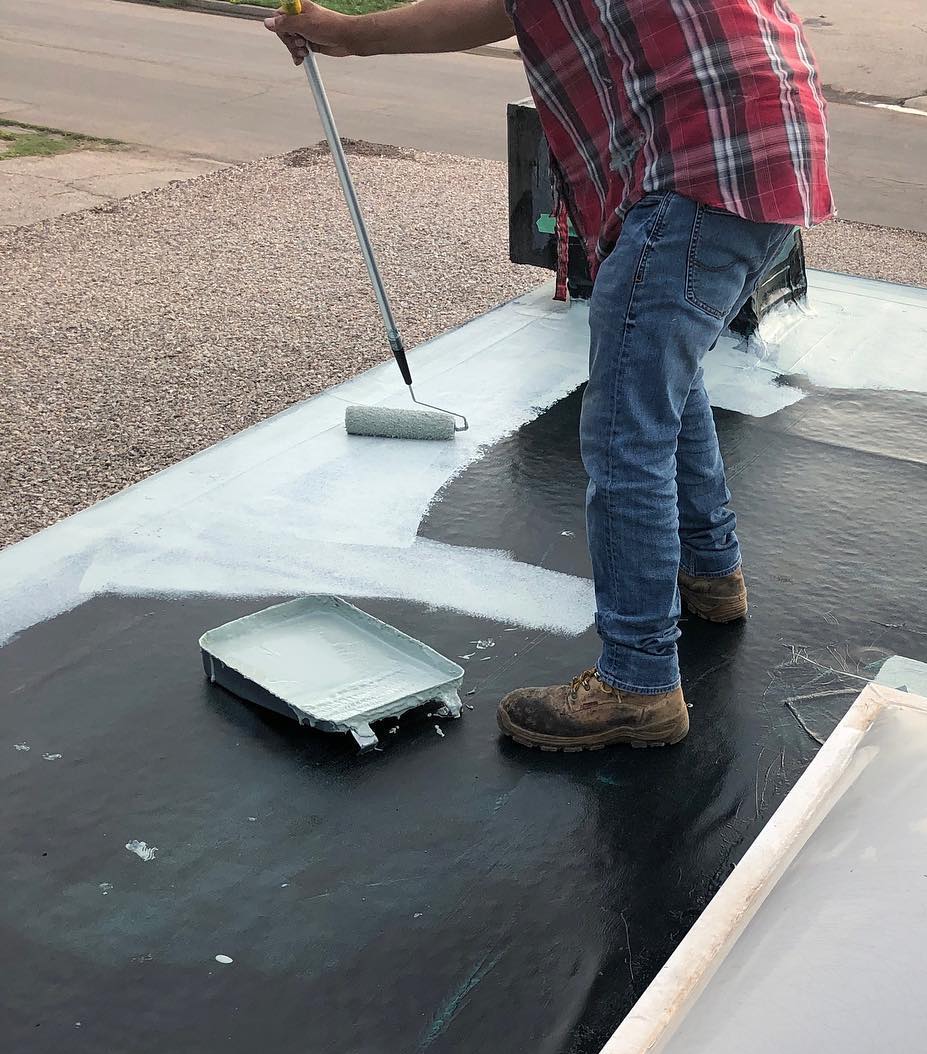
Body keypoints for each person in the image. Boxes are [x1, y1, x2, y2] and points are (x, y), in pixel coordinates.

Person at [269, 0, 832, 751]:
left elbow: (485, 7)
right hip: (765, 155)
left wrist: (345, 35)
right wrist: (348, 37)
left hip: (702, 164)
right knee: (661, 366)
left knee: (626, 427)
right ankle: (711, 573)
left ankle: (637, 683)